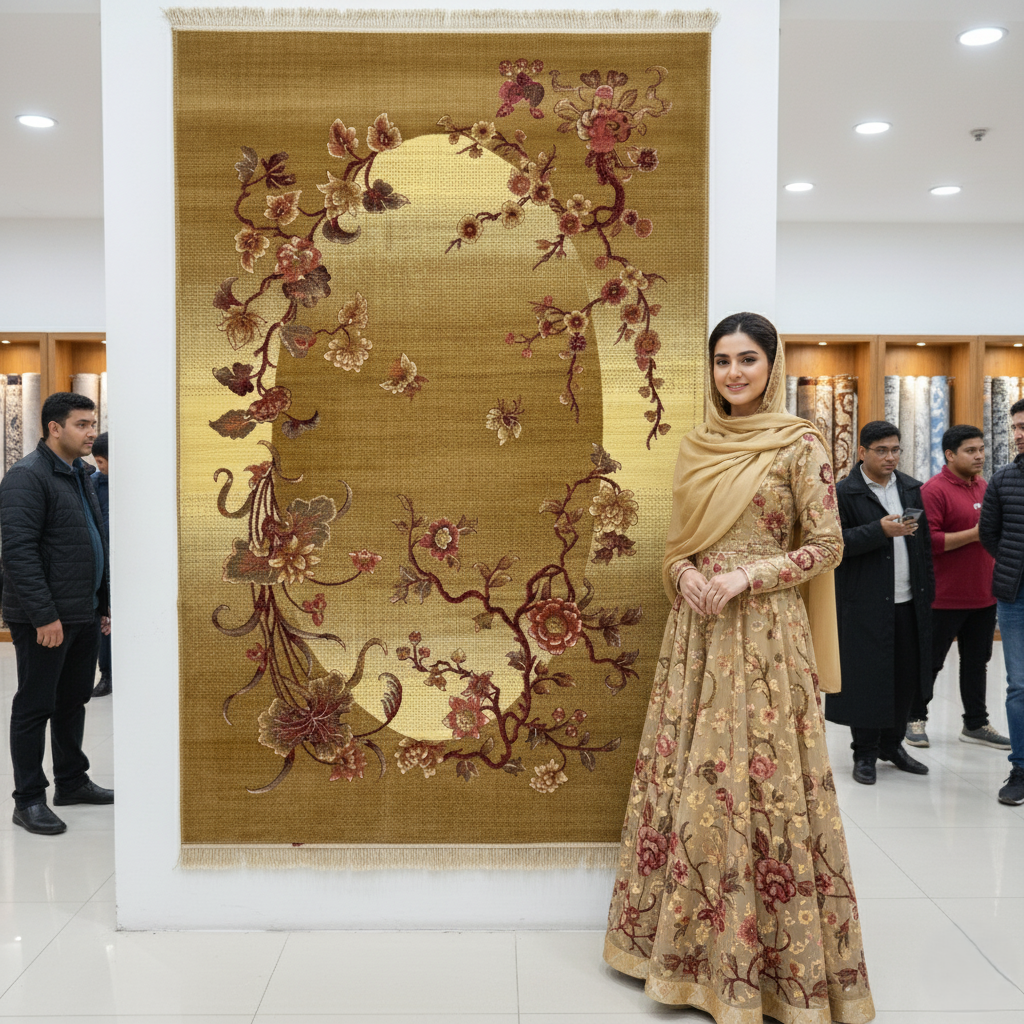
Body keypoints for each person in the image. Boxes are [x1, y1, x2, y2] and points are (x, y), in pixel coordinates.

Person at [604, 313, 874, 1023]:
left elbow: (828, 545)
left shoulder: (800, 443)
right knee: (694, 777)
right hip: (697, 633)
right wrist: (685, 573)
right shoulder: (698, 444)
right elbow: (679, 545)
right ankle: (680, 952)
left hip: (766, 635)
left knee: (763, 781)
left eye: (747, 359)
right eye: (723, 361)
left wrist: (747, 577)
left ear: (771, 365)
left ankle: (768, 966)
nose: (733, 373)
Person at [0, 392, 113, 835]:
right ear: (54, 428)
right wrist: (44, 616)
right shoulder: (27, 477)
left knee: (72, 701)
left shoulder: (80, 473)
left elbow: (93, 540)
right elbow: (18, 553)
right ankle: (28, 799)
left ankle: (72, 781)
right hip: (46, 619)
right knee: (35, 705)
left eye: (92, 424)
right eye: (82, 424)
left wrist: (102, 604)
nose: (91, 433)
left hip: (81, 611)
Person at [825, 421, 934, 785]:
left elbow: (923, 545)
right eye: (882, 450)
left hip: (909, 600)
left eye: (895, 450)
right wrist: (879, 531)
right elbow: (834, 544)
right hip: (865, 602)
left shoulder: (910, 488)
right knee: (867, 679)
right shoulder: (845, 492)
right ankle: (865, 753)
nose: (890, 457)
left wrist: (928, 594)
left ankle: (892, 745)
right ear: (862, 452)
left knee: (906, 677)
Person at [906, 425, 1009, 749]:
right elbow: (930, 542)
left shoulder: (985, 487)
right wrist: (975, 534)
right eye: (971, 450)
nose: (979, 456)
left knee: (977, 663)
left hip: (983, 595)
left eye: (981, 449)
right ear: (950, 455)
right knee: (930, 662)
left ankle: (975, 723)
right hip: (943, 597)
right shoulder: (933, 491)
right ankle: (914, 718)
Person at [979, 397, 1024, 806]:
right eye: (1015, 427)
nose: (1019, 434)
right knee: (1019, 684)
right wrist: (1013, 564)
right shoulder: (1003, 478)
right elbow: (989, 534)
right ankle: (1021, 768)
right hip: (1015, 595)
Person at [90, 432, 111, 698]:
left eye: (102, 462)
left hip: (130, 565)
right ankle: (106, 675)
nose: (99, 467)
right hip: (103, 565)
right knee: (106, 620)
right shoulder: (93, 483)